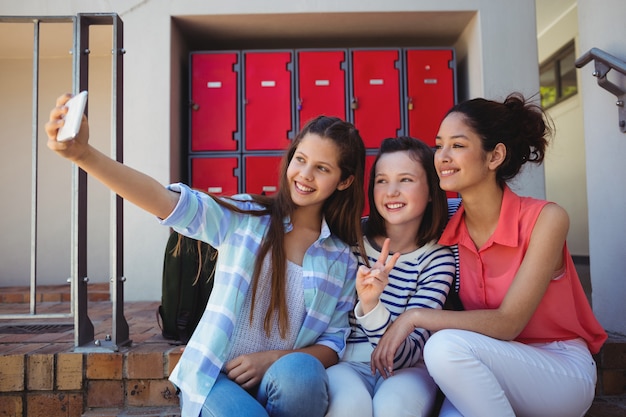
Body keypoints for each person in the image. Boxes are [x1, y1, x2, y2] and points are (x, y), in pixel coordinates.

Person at [45, 93, 367, 417]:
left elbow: (333, 342)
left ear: (345, 181)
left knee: (302, 371)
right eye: (300, 159)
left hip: (281, 379)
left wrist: (274, 358)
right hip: (215, 377)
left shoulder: (339, 258)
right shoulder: (246, 217)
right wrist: (84, 154)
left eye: (322, 168)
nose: (305, 174)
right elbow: (164, 200)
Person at [371, 93, 608, 417]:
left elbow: (509, 323)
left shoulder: (546, 219)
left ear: (494, 156)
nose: (442, 156)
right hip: (482, 362)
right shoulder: (449, 224)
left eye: (457, 145)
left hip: (558, 368)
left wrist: (412, 318)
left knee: (442, 348)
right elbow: (395, 218)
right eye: (439, 145)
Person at [326, 137, 455, 417]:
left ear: (432, 191)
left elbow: (405, 354)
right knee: (349, 408)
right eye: (382, 181)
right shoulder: (351, 239)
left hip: (407, 369)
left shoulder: (437, 260)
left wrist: (372, 307)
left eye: (406, 180)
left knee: (393, 409)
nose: (391, 192)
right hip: (347, 363)